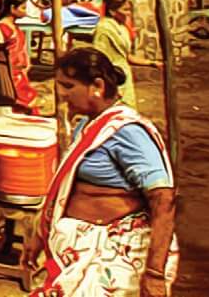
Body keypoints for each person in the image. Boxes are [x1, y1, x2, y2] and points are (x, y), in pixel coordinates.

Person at [26, 47, 176, 297]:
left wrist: (154, 273)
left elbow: (163, 200)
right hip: (81, 250)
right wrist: (39, 234)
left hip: (111, 254)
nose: (61, 94)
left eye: (68, 86)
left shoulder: (128, 133)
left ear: (97, 85)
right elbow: (67, 184)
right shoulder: (87, 125)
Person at [89, 0, 139, 108]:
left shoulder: (121, 27)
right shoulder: (104, 29)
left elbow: (126, 56)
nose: (129, 13)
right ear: (112, 11)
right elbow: (100, 56)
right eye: (125, 10)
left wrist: (152, 63)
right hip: (112, 74)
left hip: (124, 73)